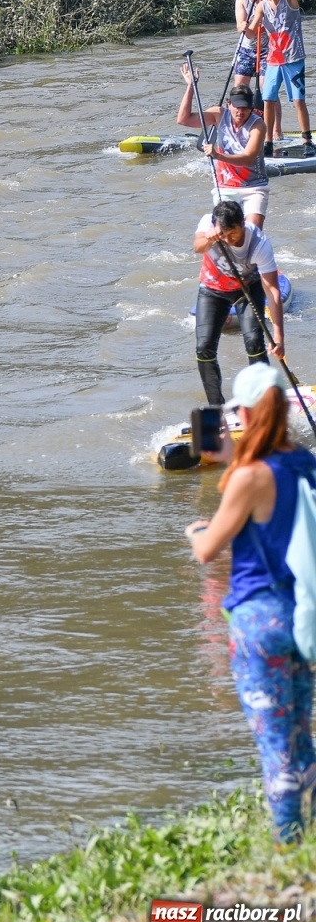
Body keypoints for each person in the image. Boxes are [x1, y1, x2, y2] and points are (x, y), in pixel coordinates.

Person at [187, 362, 316, 845]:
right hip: (305, 615)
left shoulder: (249, 477)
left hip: (259, 622)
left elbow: (207, 550)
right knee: (302, 733)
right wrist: (230, 460)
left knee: (276, 745)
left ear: (242, 413)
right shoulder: (306, 462)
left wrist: (196, 530)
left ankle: (290, 849)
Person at [194, 199, 285, 407]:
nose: (228, 240)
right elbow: (197, 247)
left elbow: (272, 290)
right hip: (212, 290)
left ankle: (263, 405)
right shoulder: (208, 224)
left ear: (242, 223)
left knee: (254, 341)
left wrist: (279, 337)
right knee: (204, 348)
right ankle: (216, 408)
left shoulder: (259, 242)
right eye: (224, 234)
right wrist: (209, 239)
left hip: (247, 290)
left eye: (233, 233)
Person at [177, 70, 270, 230]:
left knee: (252, 232)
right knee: (225, 233)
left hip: (254, 187)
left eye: (245, 108)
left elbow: (247, 158)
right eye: (236, 107)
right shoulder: (218, 114)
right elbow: (183, 119)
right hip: (226, 186)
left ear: (252, 108)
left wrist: (217, 155)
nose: (240, 112)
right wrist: (191, 86)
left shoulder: (258, 125)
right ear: (229, 104)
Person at [254, 0, 314, 156]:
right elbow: (252, 29)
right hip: (273, 60)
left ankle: (307, 141)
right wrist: (246, 28)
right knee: (268, 100)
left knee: (298, 101)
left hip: (294, 58)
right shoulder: (262, 5)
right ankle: (268, 142)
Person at [233, 0, 265, 92]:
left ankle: (274, 112)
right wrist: (244, 26)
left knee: (267, 88)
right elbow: (242, 28)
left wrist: (261, 7)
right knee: (239, 87)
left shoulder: (269, 0)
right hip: (246, 48)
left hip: (267, 49)